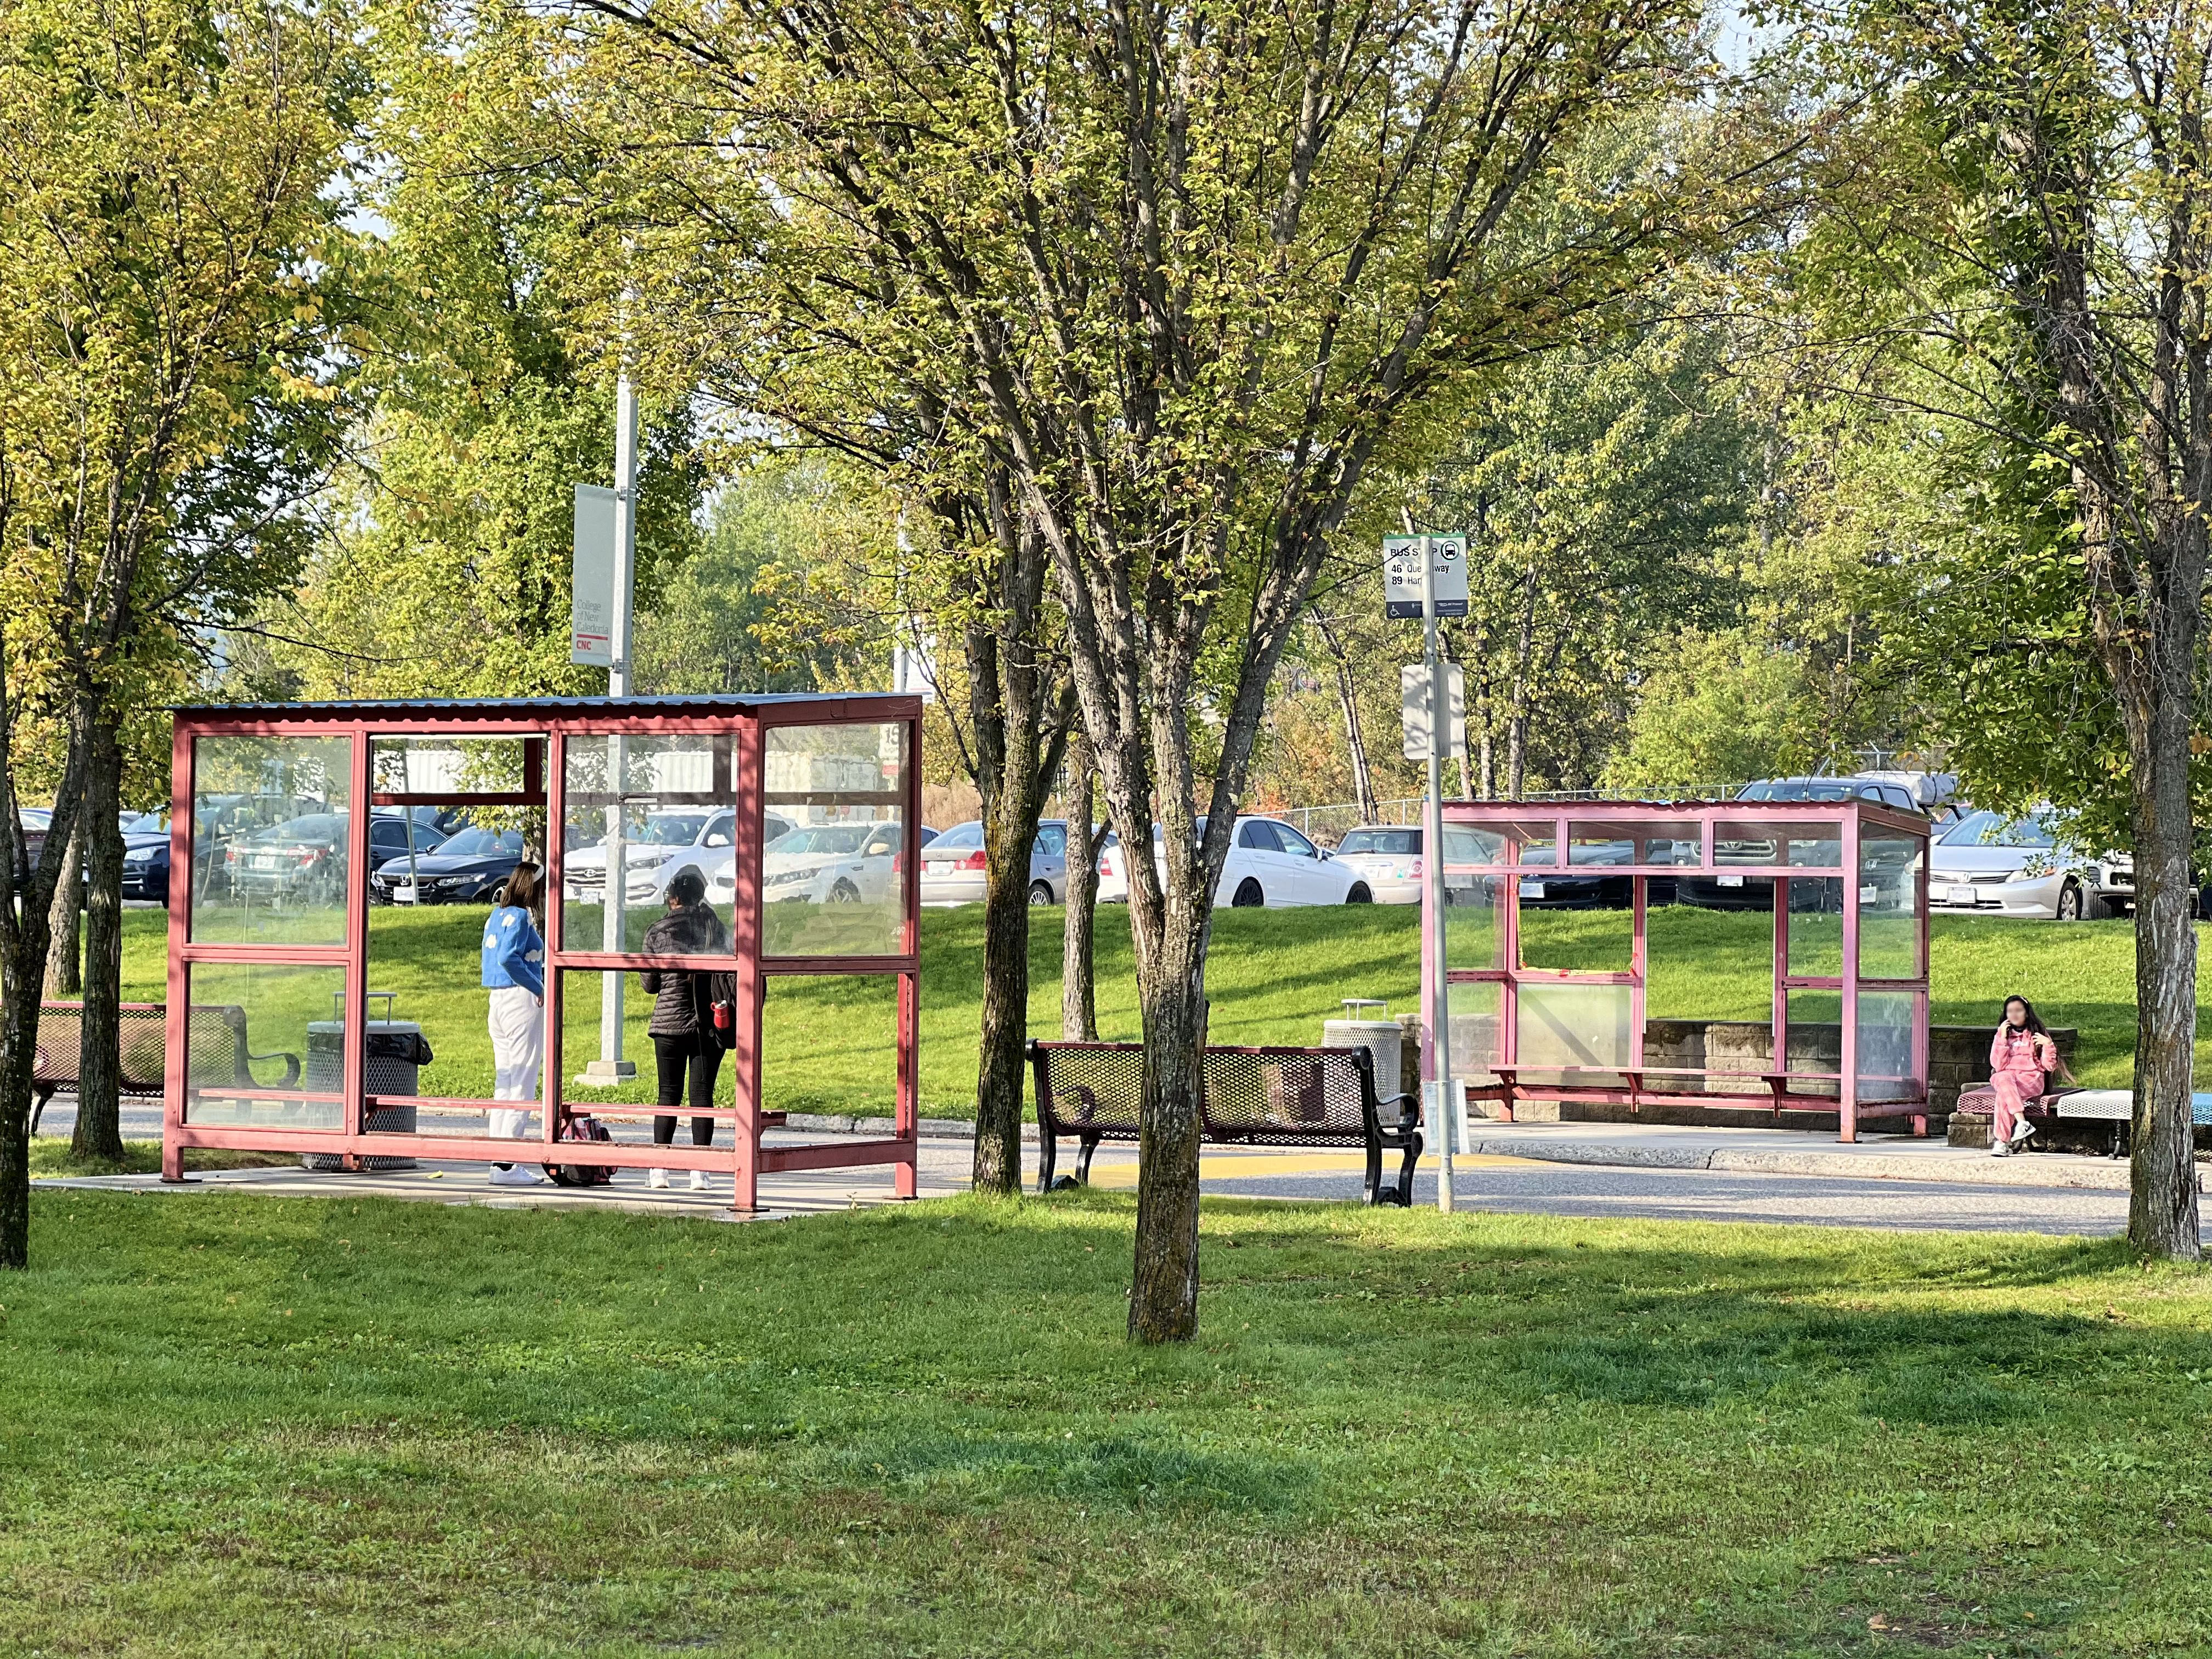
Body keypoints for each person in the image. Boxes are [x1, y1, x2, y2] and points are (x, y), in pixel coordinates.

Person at [640, 869, 729, 1190]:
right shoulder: (714, 927)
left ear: (672, 897)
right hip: (707, 1024)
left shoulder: (657, 930)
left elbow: (649, 985)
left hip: (668, 1026)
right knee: (702, 1095)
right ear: (701, 896)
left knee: (668, 1093)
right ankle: (699, 1172)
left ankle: (660, 1170)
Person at [481, 862, 546, 1186]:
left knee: (505, 1079)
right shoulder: (522, 917)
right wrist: (539, 987)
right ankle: (509, 1163)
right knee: (522, 1077)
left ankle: (499, 1159)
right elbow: (509, 957)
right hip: (521, 1000)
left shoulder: (495, 915)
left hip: (497, 1000)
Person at [1987, 993, 2073, 1156]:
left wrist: (2048, 1045)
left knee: (2003, 1094)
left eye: (2018, 1010)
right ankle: (2021, 1123)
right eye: (2010, 1011)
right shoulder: (2003, 1034)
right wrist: (2002, 1040)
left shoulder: (2037, 1033)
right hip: (2009, 1080)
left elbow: (2049, 1066)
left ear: (2027, 1012)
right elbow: (1998, 1065)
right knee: (2003, 1082)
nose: (2014, 1015)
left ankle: (2002, 1142)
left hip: (2031, 1080)